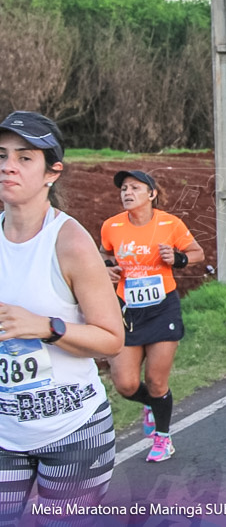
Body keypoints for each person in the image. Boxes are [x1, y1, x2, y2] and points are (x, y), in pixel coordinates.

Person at [0, 111, 124, 520]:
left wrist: (44, 327)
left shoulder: (70, 242)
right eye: (1, 156)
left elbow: (111, 339)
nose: (8, 167)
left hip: (73, 431)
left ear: (52, 173)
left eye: (24, 158)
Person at [100, 170, 204, 462]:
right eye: (123, 188)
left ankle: (162, 437)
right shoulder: (112, 226)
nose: (126, 193)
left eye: (134, 187)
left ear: (151, 194)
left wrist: (178, 258)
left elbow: (197, 253)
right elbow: (103, 252)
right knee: (125, 384)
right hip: (128, 311)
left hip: (162, 308)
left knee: (157, 381)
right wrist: (106, 266)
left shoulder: (170, 223)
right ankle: (150, 403)